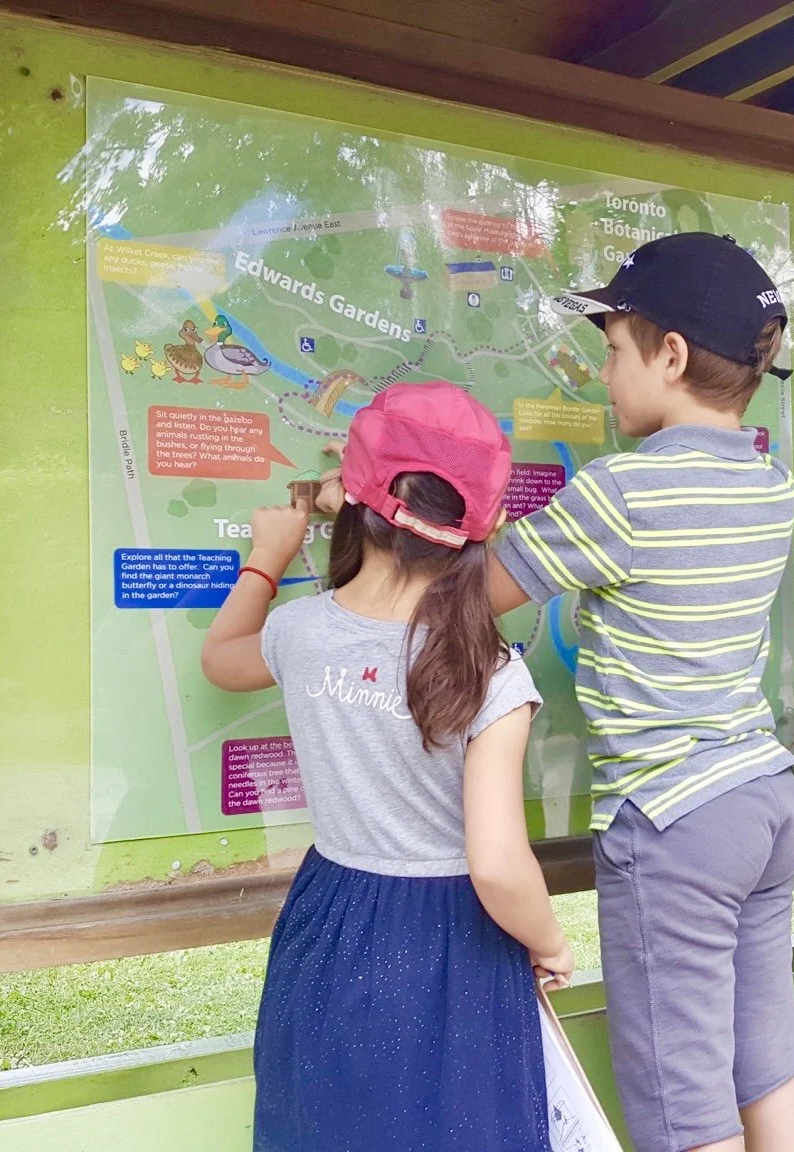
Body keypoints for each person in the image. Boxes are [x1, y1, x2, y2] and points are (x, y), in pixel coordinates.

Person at [489, 232, 794, 1152]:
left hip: (675, 820)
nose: (603, 375)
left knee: (683, 1101)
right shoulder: (771, 485)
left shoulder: (621, 491)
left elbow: (484, 590)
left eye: (612, 350)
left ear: (669, 354)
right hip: (763, 797)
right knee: (765, 1059)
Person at [200, 381, 569, 1152]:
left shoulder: (300, 633)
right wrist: (549, 941)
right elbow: (498, 864)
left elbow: (220, 658)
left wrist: (267, 558)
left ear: (354, 502)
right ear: (485, 527)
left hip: (329, 917)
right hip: (455, 939)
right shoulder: (488, 669)